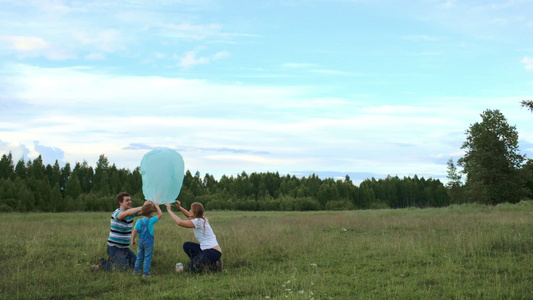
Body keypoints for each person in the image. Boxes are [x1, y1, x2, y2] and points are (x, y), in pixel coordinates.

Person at [95, 192, 152, 271]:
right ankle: (103, 263)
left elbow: (144, 212)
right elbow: (125, 214)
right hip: (114, 248)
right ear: (120, 202)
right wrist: (143, 206)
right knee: (123, 269)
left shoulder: (131, 213)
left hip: (125, 248)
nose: (130, 202)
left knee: (137, 266)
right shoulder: (116, 213)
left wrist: (152, 205)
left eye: (130, 200)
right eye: (127, 200)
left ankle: (117, 261)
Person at [165, 201, 223, 272]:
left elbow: (180, 222)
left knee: (190, 268)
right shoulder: (201, 219)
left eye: (191, 210)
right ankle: (205, 263)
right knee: (187, 245)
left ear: (195, 212)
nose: (189, 211)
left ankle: (213, 264)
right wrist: (179, 207)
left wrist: (169, 210)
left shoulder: (198, 222)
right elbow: (189, 215)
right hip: (206, 250)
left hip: (213, 252)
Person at [131, 202, 162, 277]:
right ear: (151, 213)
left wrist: (132, 240)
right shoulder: (151, 220)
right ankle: (146, 273)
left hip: (140, 242)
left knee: (139, 257)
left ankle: (136, 271)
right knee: (147, 258)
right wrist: (157, 206)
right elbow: (160, 214)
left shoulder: (139, 221)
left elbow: (134, 231)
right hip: (149, 242)